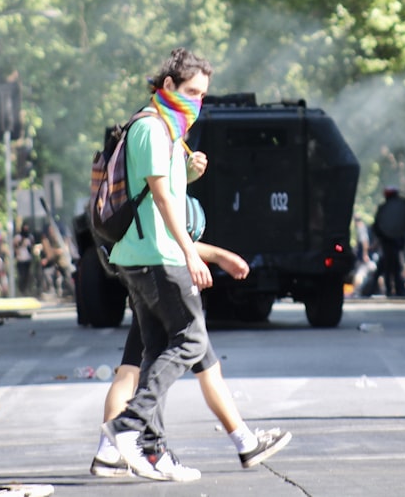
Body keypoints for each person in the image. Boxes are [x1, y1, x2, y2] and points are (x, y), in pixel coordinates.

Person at [99, 48, 289, 482]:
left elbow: (163, 192)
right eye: (190, 91)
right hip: (158, 258)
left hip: (147, 256)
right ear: (167, 86)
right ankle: (128, 427)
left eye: (203, 94)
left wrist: (189, 172)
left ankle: (151, 449)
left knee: (153, 353)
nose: (196, 102)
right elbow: (163, 200)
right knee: (188, 344)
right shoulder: (151, 127)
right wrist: (190, 252)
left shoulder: (166, 129)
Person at [92, 240, 290, 478]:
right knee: (181, 350)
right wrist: (213, 255)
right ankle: (127, 438)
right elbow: (169, 232)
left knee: (190, 361)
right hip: (162, 273)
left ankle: (115, 449)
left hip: (139, 269)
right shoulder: (157, 202)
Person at [365, 187, 405, 297]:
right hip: (390, 242)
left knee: (391, 268)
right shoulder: (388, 208)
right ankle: (395, 290)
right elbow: (379, 226)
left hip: (393, 242)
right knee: (389, 268)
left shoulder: (390, 208)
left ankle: (396, 290)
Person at [13, 222, 35, 296]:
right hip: (20, 259)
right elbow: (15, 246)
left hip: (28, 259)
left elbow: (32, 246)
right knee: (21, 275)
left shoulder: (30, 237)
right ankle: (21, 290)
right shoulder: (18, 237)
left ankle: (25, 290)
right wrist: (22, 241)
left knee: (27, 275)